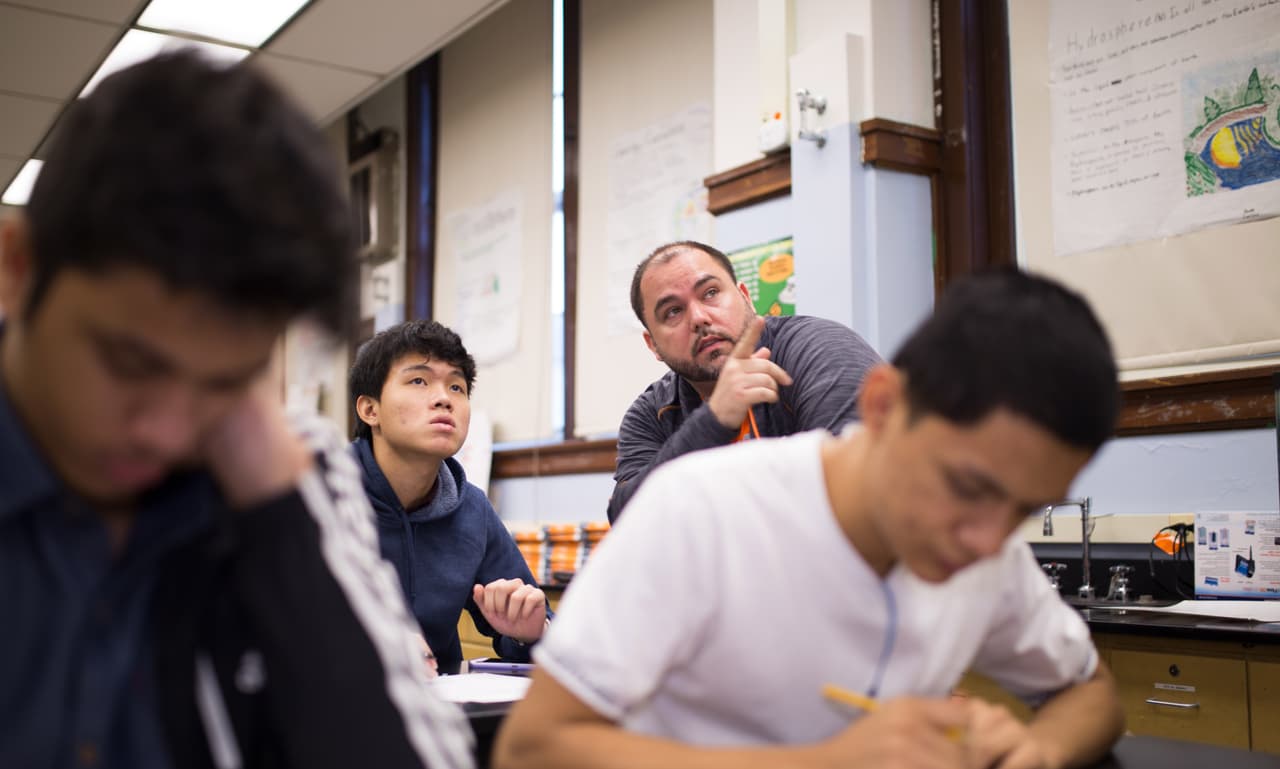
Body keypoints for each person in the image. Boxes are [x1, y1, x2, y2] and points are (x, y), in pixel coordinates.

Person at [0, 52, 472, 769]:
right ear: (17, 271)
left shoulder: (290, 466)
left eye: (225, 382)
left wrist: (281, 517)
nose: (167, 431)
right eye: (130, 364)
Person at [495, 268, 1127, 769]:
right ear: (881, 406)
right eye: (966, 486)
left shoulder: (987, 549)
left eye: (1024, 510)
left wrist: (1032, 752)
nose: (988, 540)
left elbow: (1090, 693)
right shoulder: (698, 510)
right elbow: (532, 748)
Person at [608, 240, 882, 522]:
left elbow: (860, 474)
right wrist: (713, 421)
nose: (699, 318)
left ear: (745, 298)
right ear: (652, 344)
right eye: (673, 311)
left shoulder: (817, 348)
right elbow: (627, 519)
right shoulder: (651, 413)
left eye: (711, 293)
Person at [349, 320, 551, 675]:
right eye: (418, 381)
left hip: (438, 700)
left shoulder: (470, 508)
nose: (444, 398)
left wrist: (531, 634)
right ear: (370, 410)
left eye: (457, 386)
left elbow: (536, 632)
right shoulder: (316, 496)